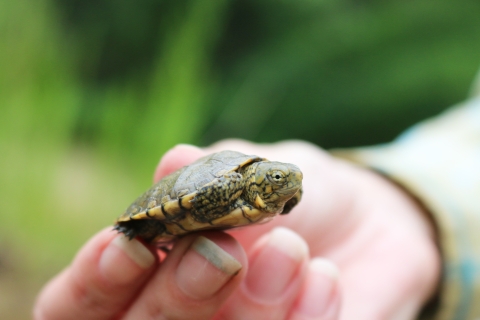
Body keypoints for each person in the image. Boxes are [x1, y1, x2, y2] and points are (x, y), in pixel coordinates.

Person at [33, 78, 480, 319]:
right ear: (261, 178)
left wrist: (404, 224)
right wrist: (393, 203)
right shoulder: (235, 183)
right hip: (177, 206)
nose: (289, 183)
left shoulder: (274, 201)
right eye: (281, 177)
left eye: (291, 181)